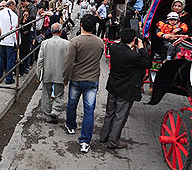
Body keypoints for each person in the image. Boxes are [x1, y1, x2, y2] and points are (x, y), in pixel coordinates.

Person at [100, 29, 151, 149]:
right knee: (120, 116)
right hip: (126, 89)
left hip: (113, 86)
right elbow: (148, 63)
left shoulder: (113, 48)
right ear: (134, 40)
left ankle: (104, 136)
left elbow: (117, 45)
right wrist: (142, 48)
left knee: (109, 113)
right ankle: (113, 142)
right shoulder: (133, 56)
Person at [64, 14, 105, 153]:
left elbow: (69, 63)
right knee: (89, 111)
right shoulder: (100, 42)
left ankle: (71, 126)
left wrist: (65, 79)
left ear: (81, 24)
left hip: (76, 78)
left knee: (72, 103)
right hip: (92, 80)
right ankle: (85, 141)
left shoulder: (75, 42)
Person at [37, 23, 70, 124]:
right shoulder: (67, 44)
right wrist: (68, 75)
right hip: (60, 73)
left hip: (47, 72)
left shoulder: (45, 43)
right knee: (59, 94)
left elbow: (40, 60)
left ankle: (47, 115)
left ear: (51, 32)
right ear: (61, 31)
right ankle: (55, 110)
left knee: (46, 94)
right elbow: (68, 61)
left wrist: (39, 74)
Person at [0, 0, 19, 85]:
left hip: (0, 40)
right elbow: (14, 30)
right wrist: (16, 42)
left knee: (1, 60)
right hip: (9, 41)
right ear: (11, 5)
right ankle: (9, 78)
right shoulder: (13, 15)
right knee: (10, 60)